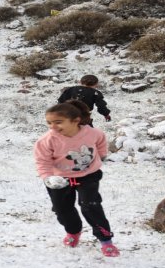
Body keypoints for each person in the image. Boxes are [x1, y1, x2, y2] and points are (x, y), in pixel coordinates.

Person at [34, 100, 119, 257]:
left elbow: (101, 142)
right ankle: (73, 232)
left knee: (90, 206)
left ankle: (106, 241)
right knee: (62, 210)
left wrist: (101, 156)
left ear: (76, 120)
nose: (53, 126)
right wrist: (48, 178)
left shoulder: (92, 133)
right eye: (49, 123)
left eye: (58, 122)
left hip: (88, 176)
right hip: (59, 179)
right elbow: (42, 161)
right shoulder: (47, 140)